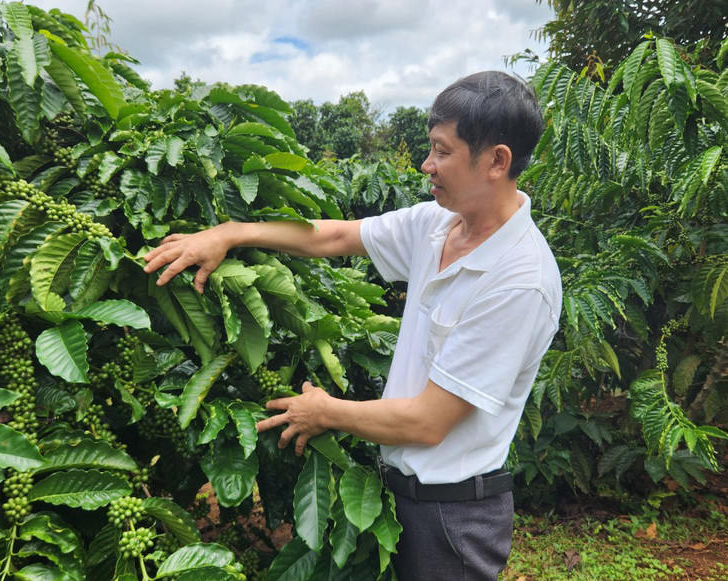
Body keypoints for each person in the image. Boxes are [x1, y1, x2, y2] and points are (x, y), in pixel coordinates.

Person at [143, 71, 562, 580]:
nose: (426, 165)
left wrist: (326, 411)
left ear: (497, 161)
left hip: (451, 519)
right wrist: (230, 232)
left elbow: (429, 421)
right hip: (395, 496)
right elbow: (335, 236)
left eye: (441, 151)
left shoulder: (520, 280)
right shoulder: (438, 223)